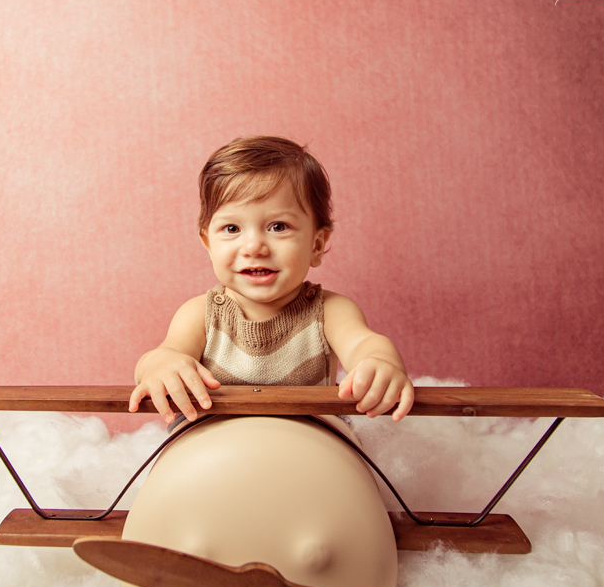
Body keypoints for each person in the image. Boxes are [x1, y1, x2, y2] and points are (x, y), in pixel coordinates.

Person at [128, 136, 415, 424]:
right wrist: (161, 364)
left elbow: (364, 344)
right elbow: (162, 355)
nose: (254, 247)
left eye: (278, 226)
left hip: (311, 442)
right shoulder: (200, 315)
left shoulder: (330, 312)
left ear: (316, 245)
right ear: (209, 245)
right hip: (212, 442)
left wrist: (380, 364)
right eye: (232, 228)